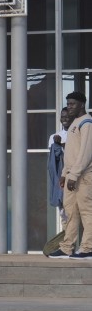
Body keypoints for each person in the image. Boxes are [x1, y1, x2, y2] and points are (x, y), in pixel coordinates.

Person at [52, 92, 92, 259]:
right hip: (71, 175)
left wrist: (74, 175)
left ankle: (88, 248)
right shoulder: (74, 123)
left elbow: (86, 153)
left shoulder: (87, 122)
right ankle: (67, 247)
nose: (69, 107)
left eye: (72, 104)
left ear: (81, 105)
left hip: (83, 176)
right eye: (68, 104)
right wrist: (64, 174)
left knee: (86, 211)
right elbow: (71, 152)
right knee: (70, 212)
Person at [48, 107, 71, 224]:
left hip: (73, 175)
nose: (65, 118)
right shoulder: (54, 137)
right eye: (62, 116)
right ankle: (68, 239)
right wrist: (57, 145)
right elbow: (53, 160)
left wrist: (61, 145)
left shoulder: (77, 134)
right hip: (60, 175)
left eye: (67, 116)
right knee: (64, 213)